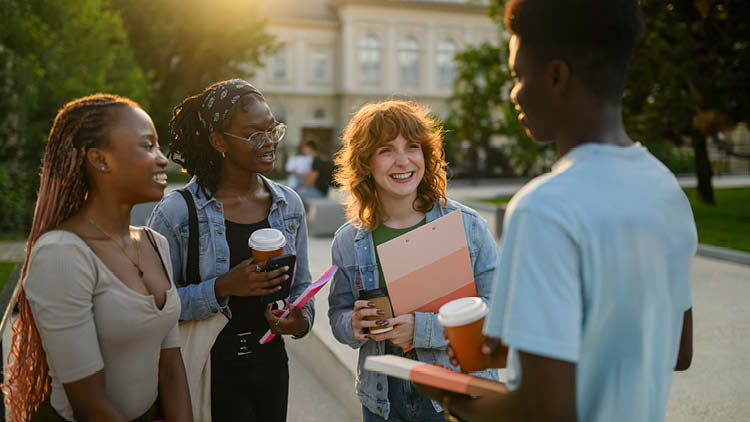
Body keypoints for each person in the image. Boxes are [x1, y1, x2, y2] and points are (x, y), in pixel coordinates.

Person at [420, 1, 696, 421]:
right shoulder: (665, 190)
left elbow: (544, 411)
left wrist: (450, 397)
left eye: (518, 75)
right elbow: (676, 348)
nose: (514, 93)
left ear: (555, 77)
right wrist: (522, 342)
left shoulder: (544, 209)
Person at [4, 94, 192, 422]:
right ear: (100, 159)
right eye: (148, 146)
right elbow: (89, 406)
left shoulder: (155, 243)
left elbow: (171, 369)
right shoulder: (62, 254)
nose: (163, 159)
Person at [146, 79, 314, 422]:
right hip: (207, 363)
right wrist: (222, 287)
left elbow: (302, 289)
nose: (268, 142)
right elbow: (153, 307)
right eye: (253, 134)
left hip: (270, 363)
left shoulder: (289, 205)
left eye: (271, 130)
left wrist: (299, 320)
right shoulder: (176, 214)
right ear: (218, 141)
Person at [327, 100, 500, 422]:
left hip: (457, 396)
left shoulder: (467, 226)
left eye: (413, 147)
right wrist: (352, 323)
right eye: (386, 150)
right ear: (365, 162)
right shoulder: (349, 242)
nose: (403, 161)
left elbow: (501, 313)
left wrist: (422, 330)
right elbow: (338, 313)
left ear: (427, 155)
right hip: (383, 401)